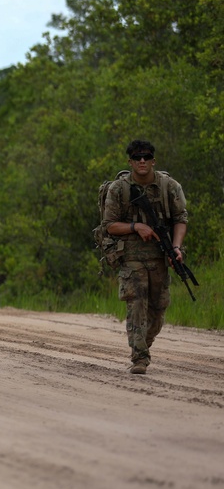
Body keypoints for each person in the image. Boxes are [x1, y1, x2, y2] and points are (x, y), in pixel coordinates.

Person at [101, 139, 187, 375]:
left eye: (146, 157)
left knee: (158, 309)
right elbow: (109, 225)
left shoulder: (169, 186)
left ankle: (143, 344)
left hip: (160, 257)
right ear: (130, 162)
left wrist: (176, 248)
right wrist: (135, 227)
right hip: (131, 257)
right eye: (137, 158)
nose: (142, 161)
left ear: (153, 161)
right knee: (136, 304)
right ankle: (139, 358)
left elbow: (181, 219)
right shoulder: (119, 189)